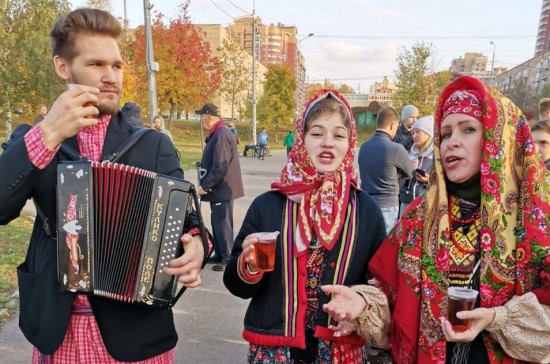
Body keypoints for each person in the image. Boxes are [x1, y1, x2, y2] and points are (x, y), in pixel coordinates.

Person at [0, 8, 211, 363]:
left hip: (136, 336)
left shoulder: (152, 144)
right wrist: (48, 134)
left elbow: (190, 223)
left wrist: (198, 249)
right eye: (97, 65)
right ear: (62, 67)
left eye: (116, 65)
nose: (111, 76)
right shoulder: (35, 139)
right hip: (59, 332)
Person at [322, 76, 550, 364]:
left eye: (468, 129)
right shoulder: (421, 215)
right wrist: (363, 303)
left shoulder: (534, 217)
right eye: (445, 133)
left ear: (498, 137)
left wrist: (497, 318)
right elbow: (391, 296)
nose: (452, 142)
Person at [223, 89, 386, 363]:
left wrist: (361, 307)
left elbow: (382, 285)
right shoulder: (268, 205)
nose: (328, 143)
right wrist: (249, 266)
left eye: (338, 135)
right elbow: (236, 285)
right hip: (274, 351)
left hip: (339, 349)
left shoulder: (365, 211)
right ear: (301, 140)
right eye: (317, 133)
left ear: (350, 143)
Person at [196, 103, 244, 271]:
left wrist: (206, 186)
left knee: (223, 223)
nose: (200, 120)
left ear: (208, 116)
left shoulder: (221, 134)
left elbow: (220, 165)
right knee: (217, 222)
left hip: (222, 189)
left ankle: (227, 257)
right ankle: (220, 252)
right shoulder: (218, 132)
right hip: (219, 189)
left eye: (201, 116)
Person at [358, 107, 414, 233]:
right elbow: (411, 173)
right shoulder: (396, 149)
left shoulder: (364, 146)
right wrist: (403, 171)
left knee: (369, 244)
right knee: (384, 245)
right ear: (393, 125)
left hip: (366, 203)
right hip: (387, 205)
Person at [398, 115, 434, 216]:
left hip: (426, 206)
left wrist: (429, 180)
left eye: (418, 132)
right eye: (413, 133)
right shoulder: (410, 154)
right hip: (406, 202)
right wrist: (408, 169)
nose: (414, 136)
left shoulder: (436, 157)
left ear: (428, 133)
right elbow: (399, 181)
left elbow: (445, 183)